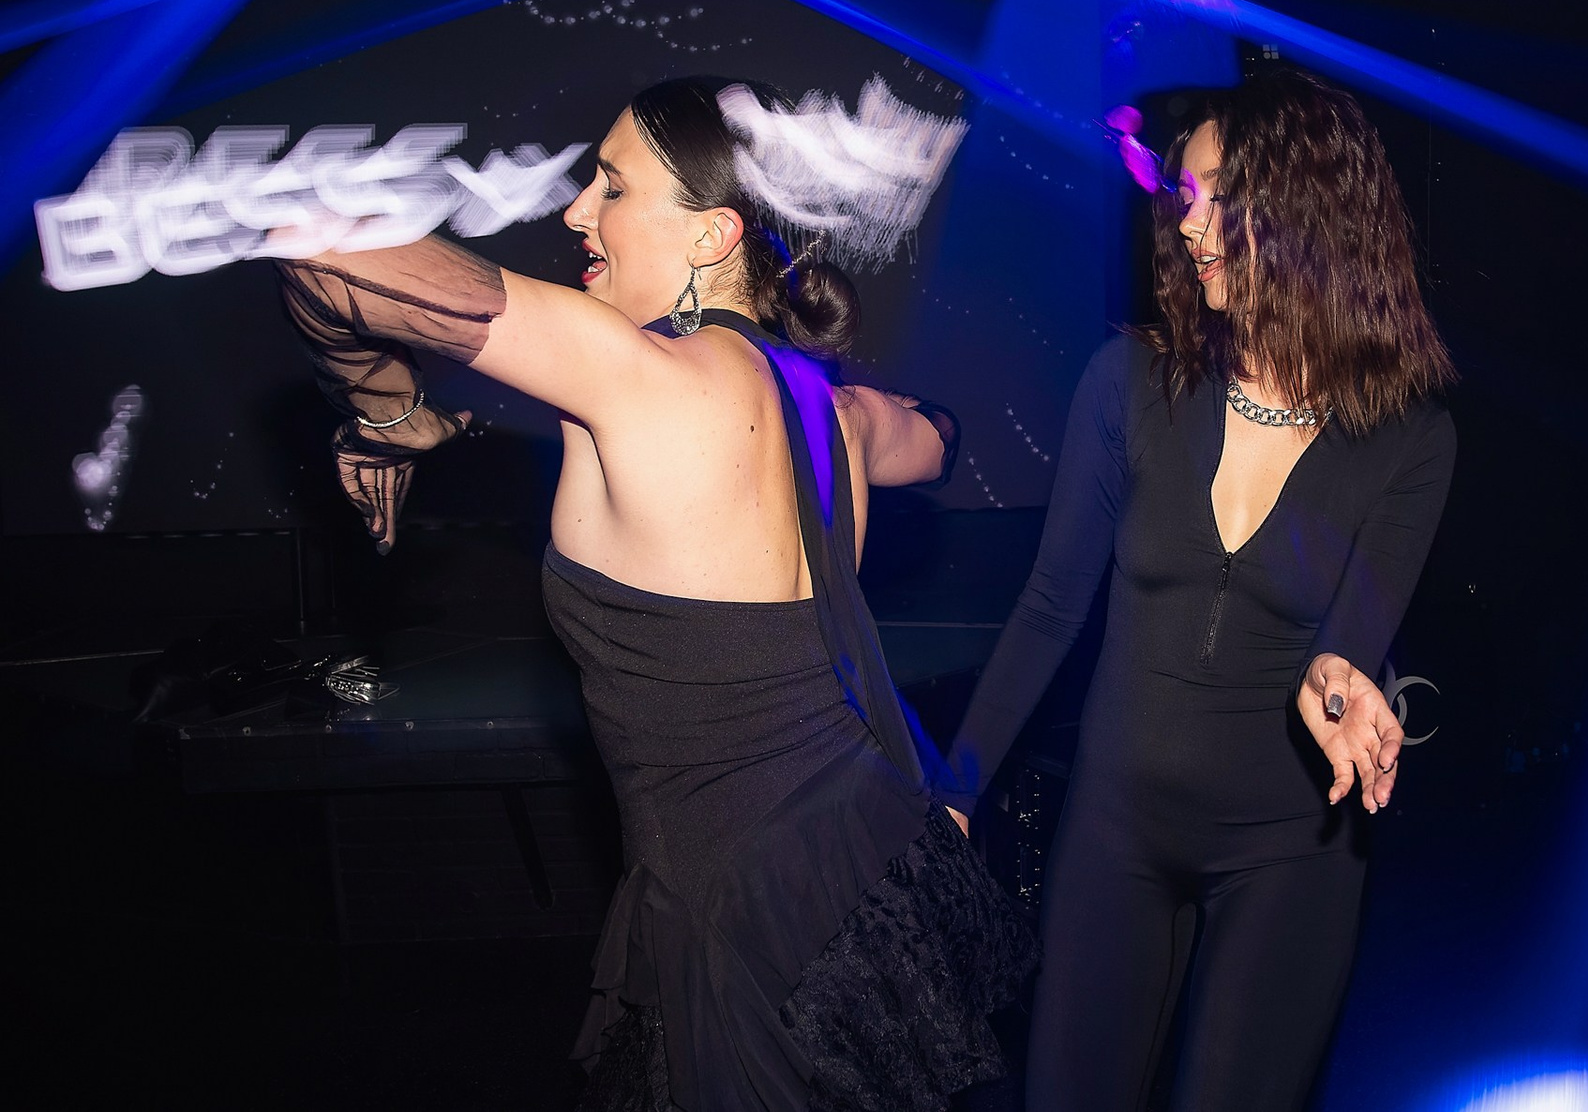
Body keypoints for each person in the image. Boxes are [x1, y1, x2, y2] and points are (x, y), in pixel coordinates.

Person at [273, 76, 1037, 1112]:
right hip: (863, 867)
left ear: (711, 235)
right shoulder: (839, 413)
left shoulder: (633, 378)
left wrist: (389, 412)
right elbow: (939, 437)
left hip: (742, 926)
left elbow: (317, 250)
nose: (575, 211)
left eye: (612, 187)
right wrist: (893, 412)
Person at [943, 70, 1457, 1111]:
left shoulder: (1409, 437)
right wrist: (957, 788)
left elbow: (1351, 638)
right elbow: (1050, 605)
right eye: (1185, 195)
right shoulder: (1129, 385)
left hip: (1291, 849)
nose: (1189, 223)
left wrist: (1336, 674)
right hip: (1116, 830)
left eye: (1219, 195)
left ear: (1307, 206)